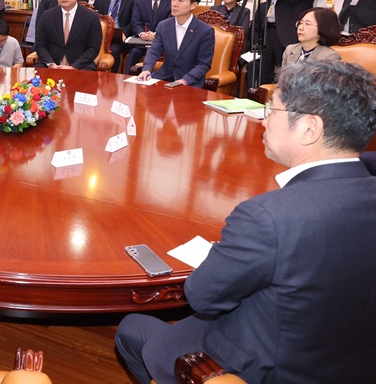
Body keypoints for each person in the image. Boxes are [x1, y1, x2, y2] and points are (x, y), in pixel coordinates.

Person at [116, 59, 376, 384]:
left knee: (131, 329)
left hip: (272, 367)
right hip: (355, 356)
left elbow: (202, 295)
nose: (264, 121)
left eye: (273, 111)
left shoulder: (267, 217)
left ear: (310, 129)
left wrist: (226, 252)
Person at [137, 0, 215, 87]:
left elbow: (203, 64)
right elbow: (154, 51)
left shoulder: (205, 31)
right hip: (164, 77)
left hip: (189, 82)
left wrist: (184, 81)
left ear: (193, 5)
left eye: (180, 0)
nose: (174, 4)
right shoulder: (164, 25)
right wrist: (146, 69)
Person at [34, 0, 103, 70]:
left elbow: (94, 48)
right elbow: (40, 44)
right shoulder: (47, 16)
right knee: (34, 78)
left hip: (80, 65)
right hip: (52, 64)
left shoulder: (91, 17)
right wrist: (51, 64)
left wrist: (74, 67)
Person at [126, 0, 173, 73]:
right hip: (142, 41)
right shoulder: (140, 0)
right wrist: (141, 33)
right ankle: (127, 80)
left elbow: (170, 22)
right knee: (133, 52)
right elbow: (135, 21)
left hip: (162, 43)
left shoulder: (171, 1)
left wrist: (156, 34)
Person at [93, 0, 137, 72]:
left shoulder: (133, 0)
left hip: (119, 38)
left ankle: (112, 77)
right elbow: (94, 18)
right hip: (101, 36)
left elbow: (134, 21)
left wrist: (125, 32)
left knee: (113, 50)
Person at [277, 7, 341, 79]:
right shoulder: (290, 50)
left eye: (307, 24)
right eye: (300, 23)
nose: (300, 27)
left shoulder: (329, 56)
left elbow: (323, 87)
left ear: (323, 27)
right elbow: (282, 81)